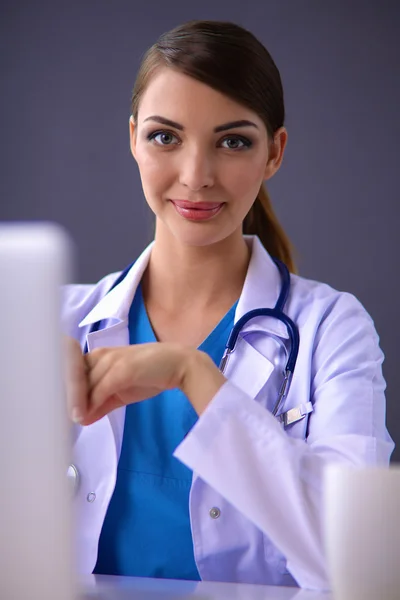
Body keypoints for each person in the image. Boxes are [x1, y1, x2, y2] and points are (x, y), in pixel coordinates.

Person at [63, 20, 394, 590]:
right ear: (134, 139)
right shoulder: (50, 324)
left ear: (274, 153)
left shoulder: (333, 328)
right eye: (165, 137)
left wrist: (192, 374)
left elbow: (358, 562)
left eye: (233, 141)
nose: (196, 176)